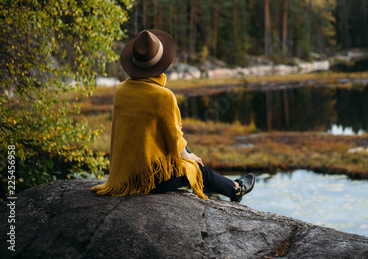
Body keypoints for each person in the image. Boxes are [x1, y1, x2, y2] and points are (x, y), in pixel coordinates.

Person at [91, 29, 255, 202]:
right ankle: (236, 189)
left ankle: (235, 188)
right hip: (150, 179)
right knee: (196, 168)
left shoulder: (121, 90)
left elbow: (141, 130)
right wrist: (186, 156)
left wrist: (179, 140)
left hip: (124, 174)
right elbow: (174, 138)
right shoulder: (163, 96)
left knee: (190, 157)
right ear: (160, 64)